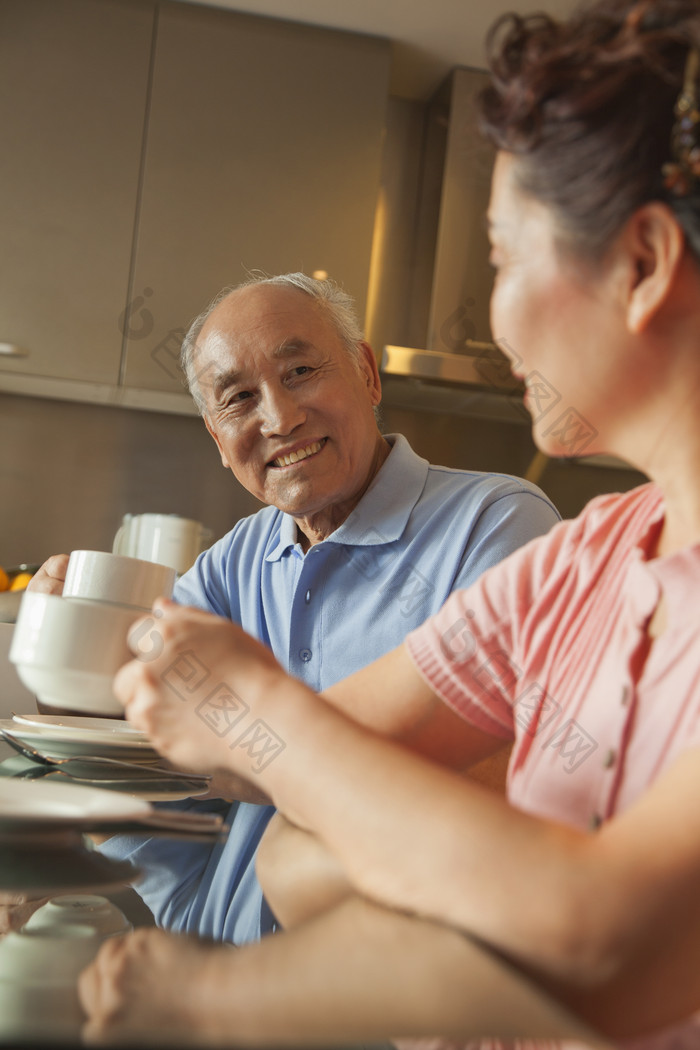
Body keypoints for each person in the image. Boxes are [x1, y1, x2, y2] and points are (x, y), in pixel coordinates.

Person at [76, 0, 700, 1046]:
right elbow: (290, 828)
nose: (491, 313)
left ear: (638, 266)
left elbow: (605, 942)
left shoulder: (507, 528)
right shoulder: (584, 559)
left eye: (501, 257)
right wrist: (474, 878)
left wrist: (215, 1000)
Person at [24, 272, 559, 946]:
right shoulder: (235, 559)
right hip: (225, 987)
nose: (279, 418)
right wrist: (67, 644)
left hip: (403, 1001)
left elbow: (508, 782)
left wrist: (241, 754)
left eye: (301, 371)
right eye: (240, 398)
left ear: (367, 374)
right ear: (219, 441)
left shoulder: (496, 522)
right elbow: (139, 738)